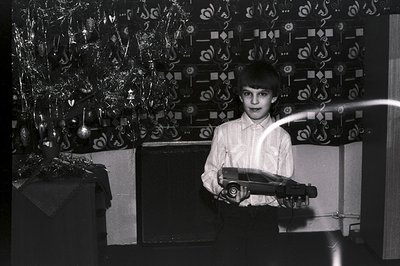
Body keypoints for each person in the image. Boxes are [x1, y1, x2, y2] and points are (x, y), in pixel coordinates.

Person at [201, 61, 294, 266]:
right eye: (248, 93)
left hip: (265, 219)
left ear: (275, 97)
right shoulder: (224, 131)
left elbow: (283, 181)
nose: (254, 101)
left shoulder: (282, 138)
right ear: (240, 96)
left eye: (262, 94)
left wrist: (286, 197)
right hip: (231, 216)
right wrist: (223, 191)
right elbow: (209, 173)